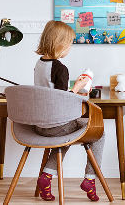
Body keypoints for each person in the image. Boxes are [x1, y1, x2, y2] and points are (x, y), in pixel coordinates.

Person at [34, 20, 104, 202]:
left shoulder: (39, 64)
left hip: (40, 125)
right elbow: (61, 100)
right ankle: (90, 179)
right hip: (57, 125)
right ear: (60, 44)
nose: (69, 48)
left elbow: (51, 93)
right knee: (99, 133)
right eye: (69, 44)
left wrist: (73, 89)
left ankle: (46, 177)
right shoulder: (60, 68)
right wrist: (78, 88)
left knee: (65, 136)